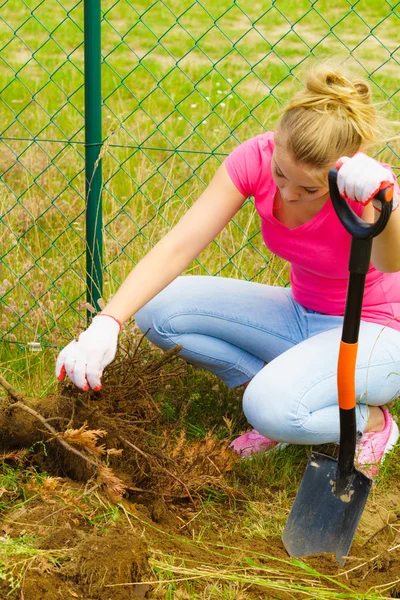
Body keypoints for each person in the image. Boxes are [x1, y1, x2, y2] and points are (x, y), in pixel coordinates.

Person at [56, 64, 400, 478]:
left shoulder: (361, 186)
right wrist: (107, 322)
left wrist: (385, 202)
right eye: (280, 175)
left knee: (268, 411)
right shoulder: (254, 157)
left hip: (375, 332)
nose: (288, 194)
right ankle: (285, 392)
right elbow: (180, 244)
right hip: (300, 312)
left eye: (309, 190)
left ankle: (372, 422)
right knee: (157, 311)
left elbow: (390, 262)